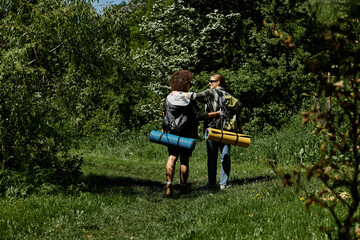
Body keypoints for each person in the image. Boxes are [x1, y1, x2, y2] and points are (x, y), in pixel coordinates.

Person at [162, 70, 220, 197]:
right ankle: (183, 188)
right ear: (184, 83)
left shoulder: (169, 97)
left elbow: (166, 115)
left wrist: (163, 128)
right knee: (184, 160)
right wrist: (215, 114)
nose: (190, 84)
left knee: (172, 157)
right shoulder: (188, 98)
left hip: (171, 132)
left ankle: (169, 185)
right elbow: (198, 116)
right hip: (186, 133)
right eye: (189, 82)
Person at [182, 74, 232, 190]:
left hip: (212, 129)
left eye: (212, 81)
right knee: (225, 155)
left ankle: (211, 183)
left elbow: (195, 96)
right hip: (227, 130)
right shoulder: (229, 95)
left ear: (218, 82)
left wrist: (178, 93)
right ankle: (223, 183)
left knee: (212, 157)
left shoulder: (210, 92)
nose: (209, 83)